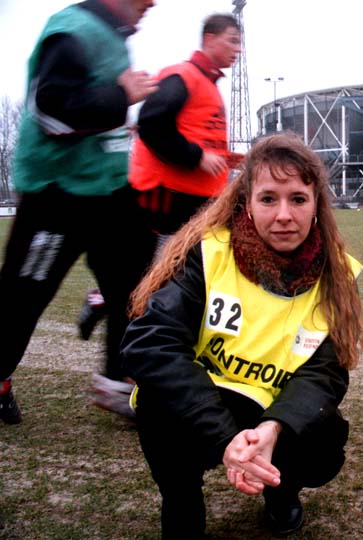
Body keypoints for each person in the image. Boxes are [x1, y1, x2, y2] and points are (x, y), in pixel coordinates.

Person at [120, 133, 363, 538]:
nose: (284, 214)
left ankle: (280, 488)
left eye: (298, 199)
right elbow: (149, 343)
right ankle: (182, 503)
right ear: (247, 204)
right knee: (156, 402)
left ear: (316, 205)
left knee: (323, 437)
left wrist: (272, 430)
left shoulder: (337, 274)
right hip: (204, 407)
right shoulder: (208, 253)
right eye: (269, 199)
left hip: (271, 415)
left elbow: (326, 374)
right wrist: (226, 438)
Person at [0, 0, 158, 425]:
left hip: (108, 192)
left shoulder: (113, 37)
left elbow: (94, 113)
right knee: (23, 297)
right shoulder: (72, 29)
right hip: (57, 194)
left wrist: (120, 124)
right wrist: (122, 95)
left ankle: (124, 385)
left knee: (139, 285)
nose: (154, 3)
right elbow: (52, 110)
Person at [77, 13, 244, 346]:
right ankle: (107, 306)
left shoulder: (208, 86)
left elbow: (201, 141)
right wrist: (196, 157)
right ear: (209, 40)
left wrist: (229, 159)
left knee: (179, 276)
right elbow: (152, 124)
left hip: (199, 202)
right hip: (165, 199)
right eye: (232, 41)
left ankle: (118, 309)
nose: (237, 49)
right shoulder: (182, 76)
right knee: (156, 278)